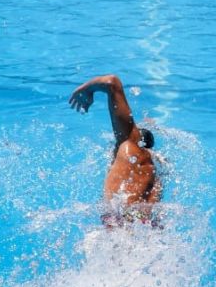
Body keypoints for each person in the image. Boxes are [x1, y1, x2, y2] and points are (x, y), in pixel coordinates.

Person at [69, 74, 161, 227]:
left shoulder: (130, 146)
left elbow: (112, 83)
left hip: (122, 231)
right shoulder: (153, 175)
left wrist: (86, 90)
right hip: (142, 235)